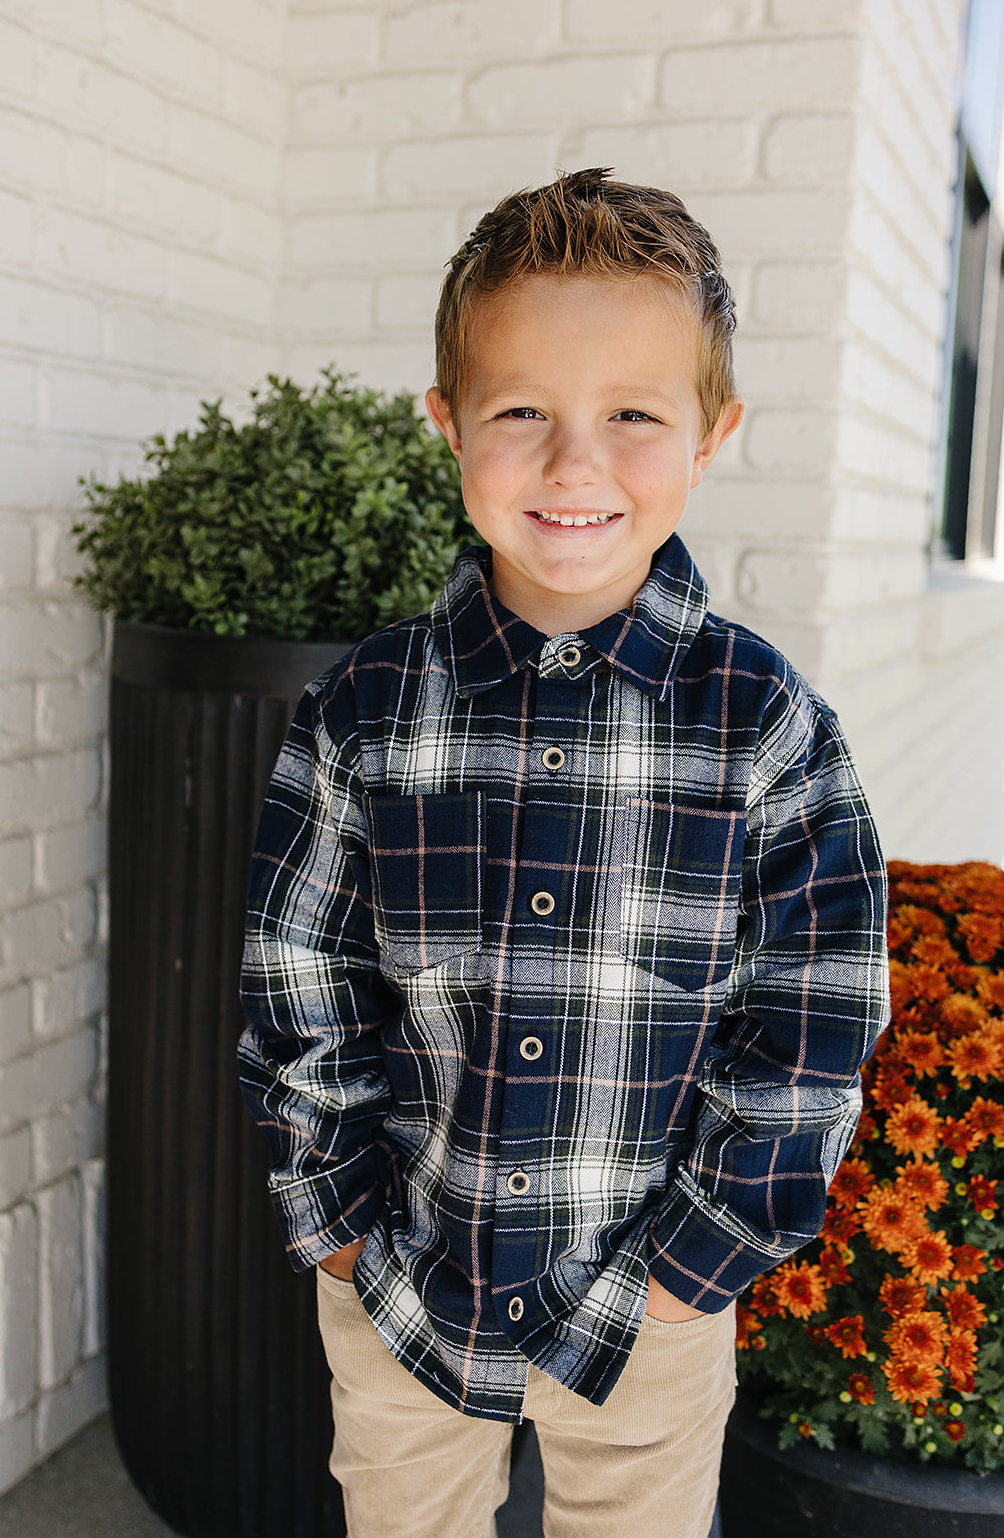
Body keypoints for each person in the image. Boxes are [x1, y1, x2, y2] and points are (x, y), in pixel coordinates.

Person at [238, 168, 890, 1538]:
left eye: (633, 415)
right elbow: (300, 976)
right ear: (449, 424)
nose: (575, 463)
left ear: (713, 434)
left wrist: (693, 1267)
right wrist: (341, 1223)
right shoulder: (361, 714)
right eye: (522, 410)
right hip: (405, 1272)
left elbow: (817, 1014)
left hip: (652, 1299)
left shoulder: (764, 726)